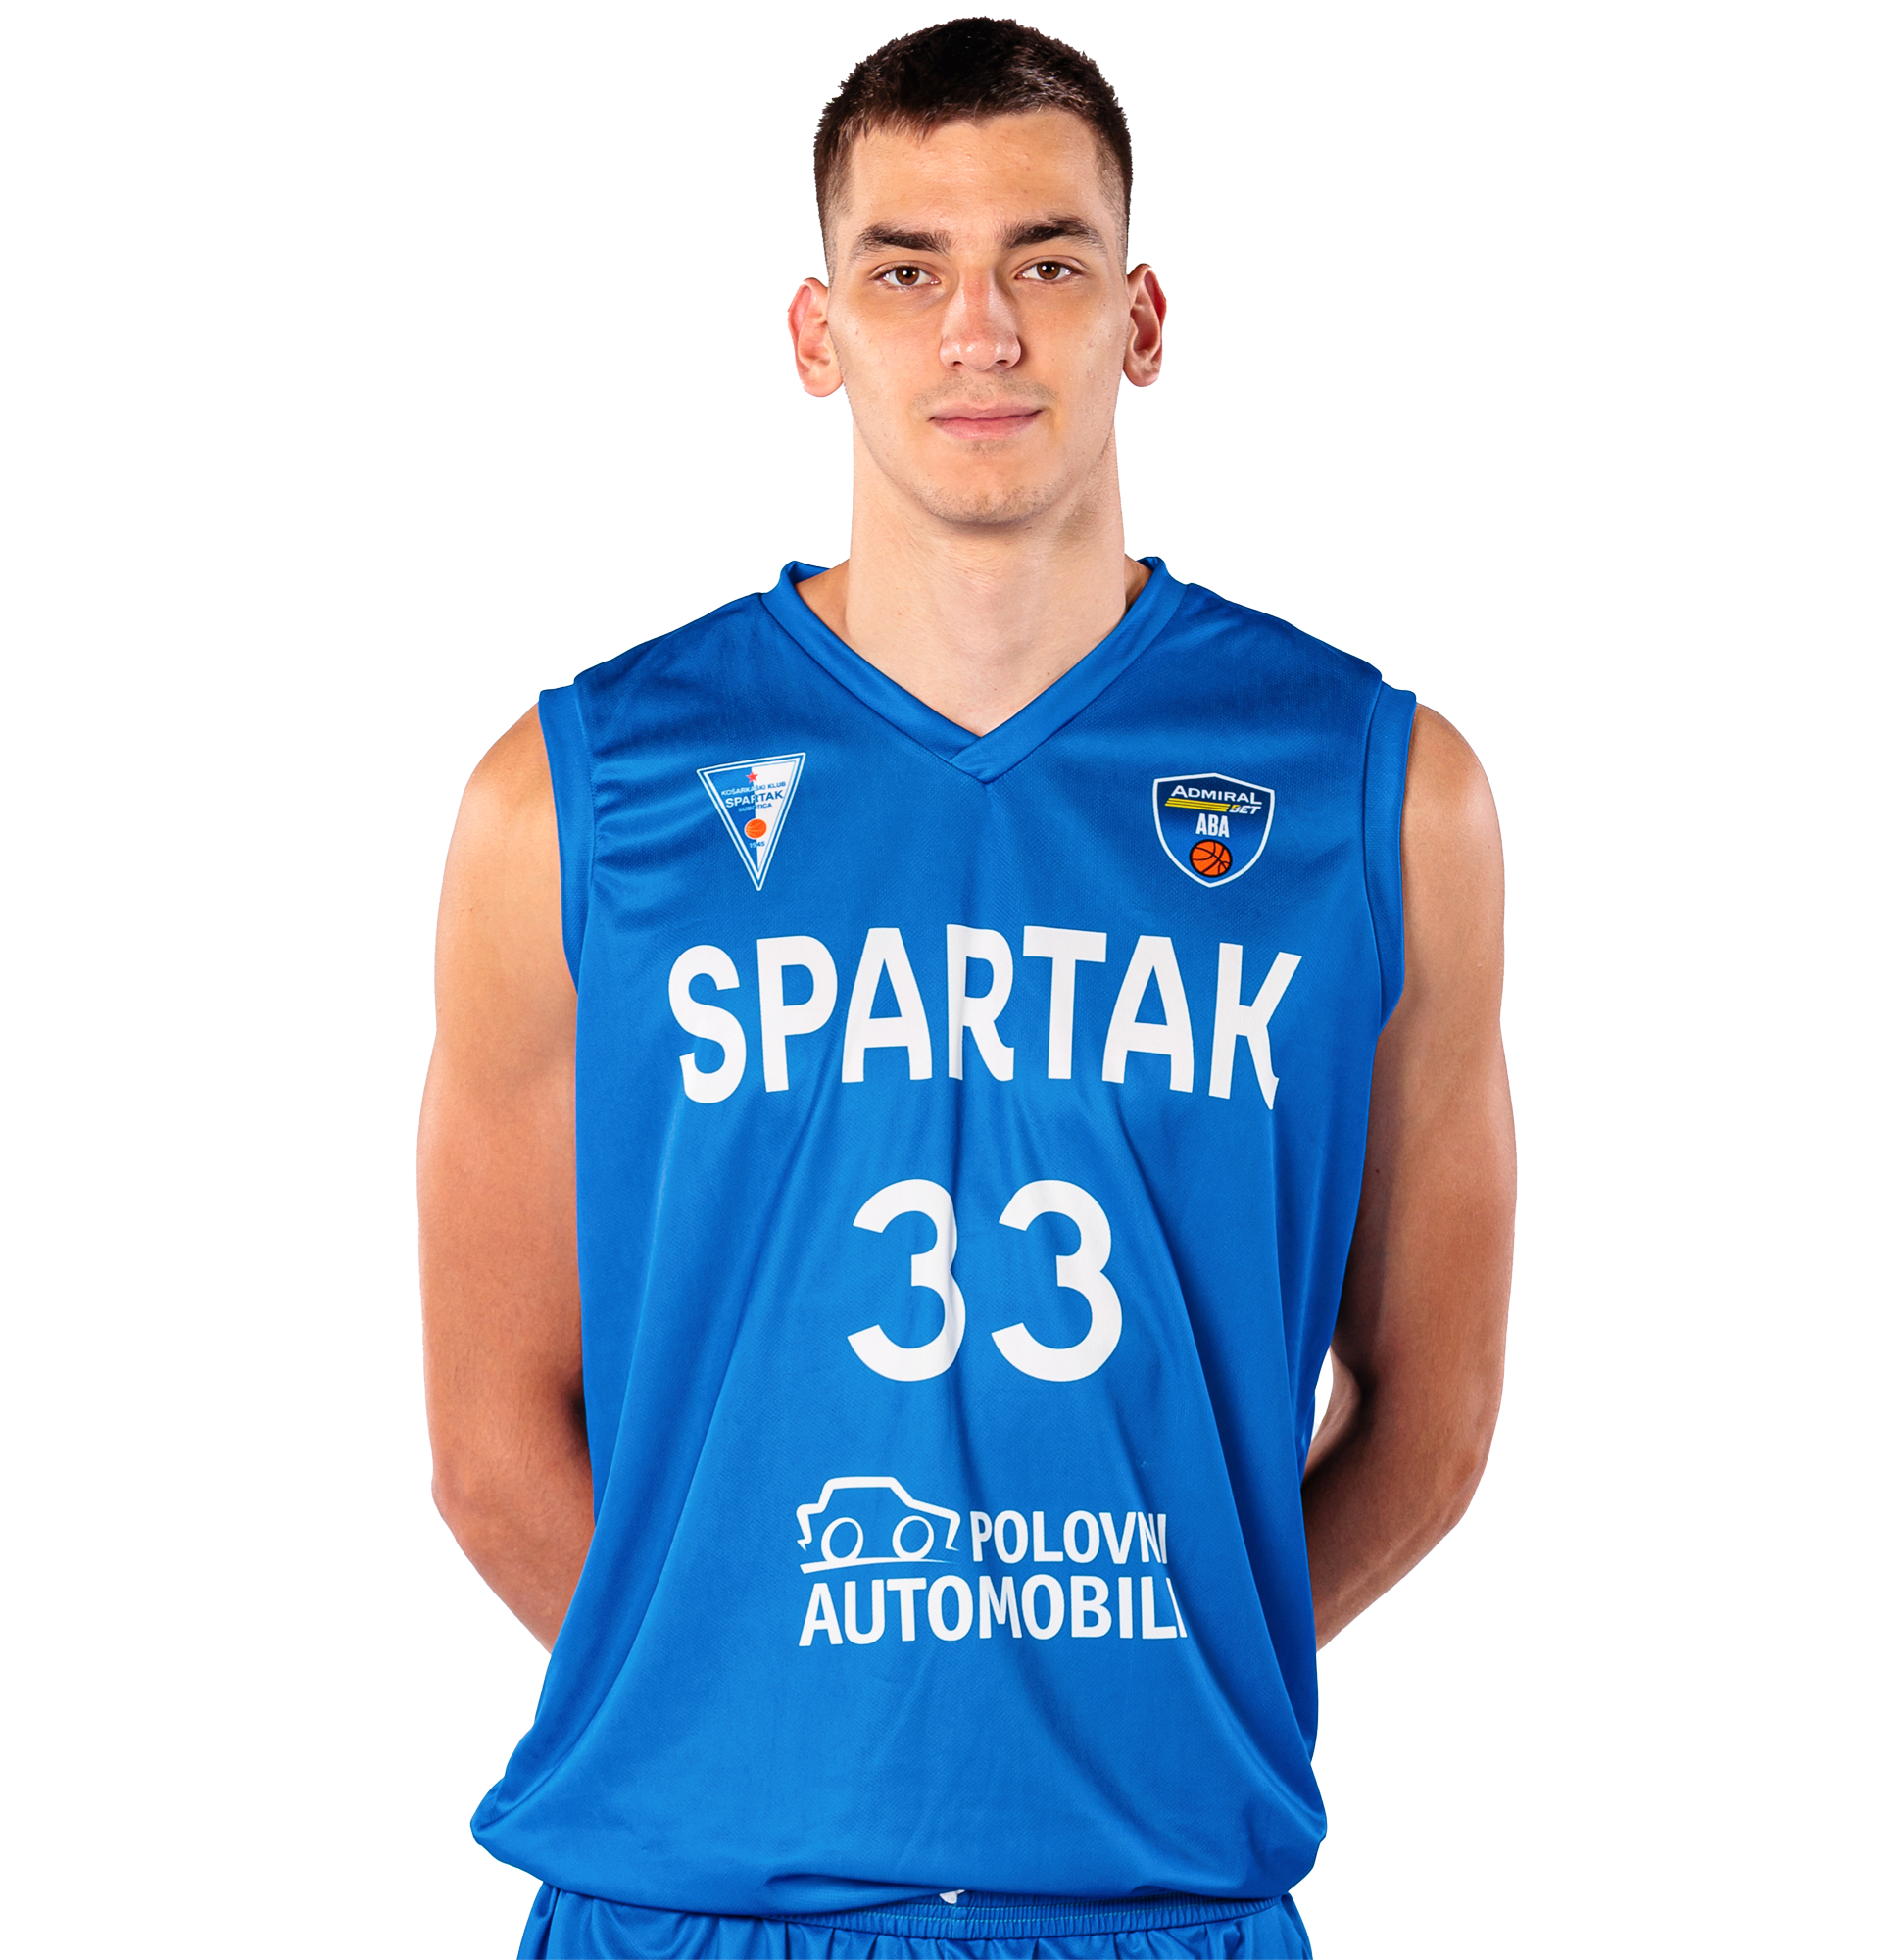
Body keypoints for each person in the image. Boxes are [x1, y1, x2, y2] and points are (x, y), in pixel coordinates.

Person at [419, 17, 1514, 1960]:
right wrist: (754, 1711)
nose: (980, 332)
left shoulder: (1377, 795)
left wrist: (1155, 1679)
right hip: (690, 1901)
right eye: (906, 270)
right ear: (816, 332)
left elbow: (1430, 1419)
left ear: (1142, 318)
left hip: (1151, 1903)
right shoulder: (575, 801)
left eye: (1048, 262)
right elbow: (494, 1440)